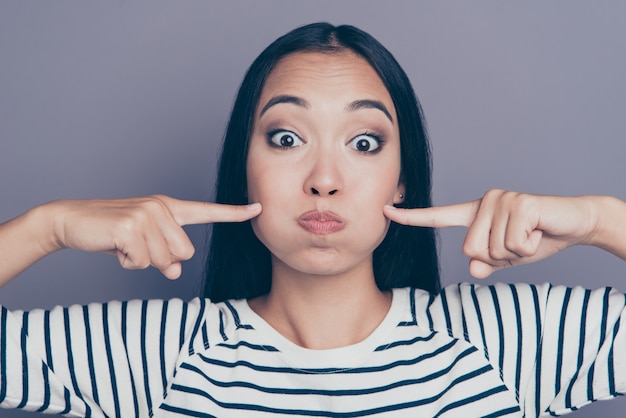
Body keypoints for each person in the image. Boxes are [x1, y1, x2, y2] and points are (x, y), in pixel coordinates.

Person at [1, 22, 625, 417]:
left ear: (402, 178)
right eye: (285, 137)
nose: (323, 179)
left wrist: (599, 220)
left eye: (364, 143)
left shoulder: (505, 343)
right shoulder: (154, 355)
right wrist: (46, 228)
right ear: (244, 167)